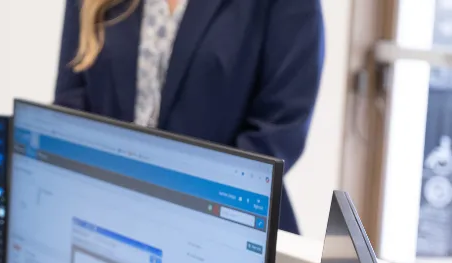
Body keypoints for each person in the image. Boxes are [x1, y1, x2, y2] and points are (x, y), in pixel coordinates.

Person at [54, 0, 325, 235]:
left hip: (225, 232)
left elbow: (278, 130)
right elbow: (71, 107)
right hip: (108, 221)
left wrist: (180, 213)